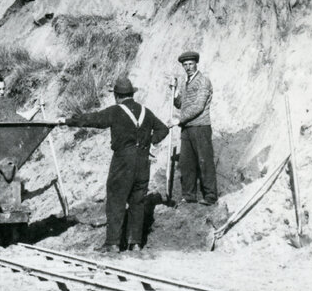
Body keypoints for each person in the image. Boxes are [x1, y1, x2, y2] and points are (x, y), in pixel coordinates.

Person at [54, 77, 169, 252]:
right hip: (143, 161)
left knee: (116, 199)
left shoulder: (115, 111)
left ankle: (113, 243)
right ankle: (135, 242)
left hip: (123, 161)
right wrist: (148, 142)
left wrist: (67, 121)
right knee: (137, 202)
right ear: (132, 94)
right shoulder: (146, 111)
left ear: (117, 96)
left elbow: (93, 119)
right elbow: (164, 129)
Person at [172, 50, 218, 206]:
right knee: (186, 163)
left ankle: (210, 196)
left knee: (204, 161)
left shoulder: (204, 81)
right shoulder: (187, 82)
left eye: (190, 64)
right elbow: (180, 104)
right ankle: (189, 195)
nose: (188, 67)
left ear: (196, 63)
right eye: (185, 65)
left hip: (200, 126)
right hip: (187, 128)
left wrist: (179, 119)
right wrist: (175, 91)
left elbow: (198, 106)